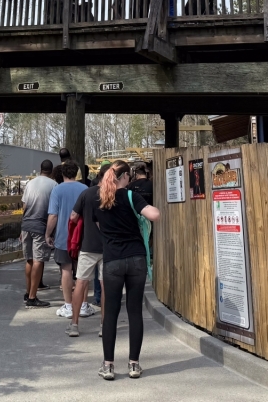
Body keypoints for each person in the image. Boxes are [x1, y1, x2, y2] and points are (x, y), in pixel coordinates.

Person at [95, 160, 160, 380]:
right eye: (129, 177)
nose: (130, 181)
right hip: (136, 259)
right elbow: (154, 215)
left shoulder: (100, 198)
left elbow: (98, 226)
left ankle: (108, 366)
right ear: (123, 177)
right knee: (134, 312)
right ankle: (133, 364)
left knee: (110, 314)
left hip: (112, 260)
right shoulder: (131, 196)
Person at [66, 162, 110, 338]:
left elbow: (73, 216)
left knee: (81, 283)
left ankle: (74, 324)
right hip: (108, 246)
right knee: (105, 286)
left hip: (88, 245)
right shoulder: (113, 195)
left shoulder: (86, 193)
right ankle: (103, 325)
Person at [46, 162, 90, 319]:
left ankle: (69, 305)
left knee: (66, 270)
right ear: (77, 173)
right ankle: (84, 304)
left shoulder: (57, 190)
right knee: (82, 271)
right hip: (83, 236)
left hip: (63, 236)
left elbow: (53, 215)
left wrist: (47, 234)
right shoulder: (85, 189)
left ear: (62, 173)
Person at [21, 160, 57, 308]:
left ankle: (28, 291)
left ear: (40, 169)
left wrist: (21, 227)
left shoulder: (30, 183)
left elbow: (24, 206)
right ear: (52, 170)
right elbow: (54, 210)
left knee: (29, 259)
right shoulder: (54, 185)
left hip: (26, 224)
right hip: (40, 225)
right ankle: (32, 297)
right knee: (38, 260)